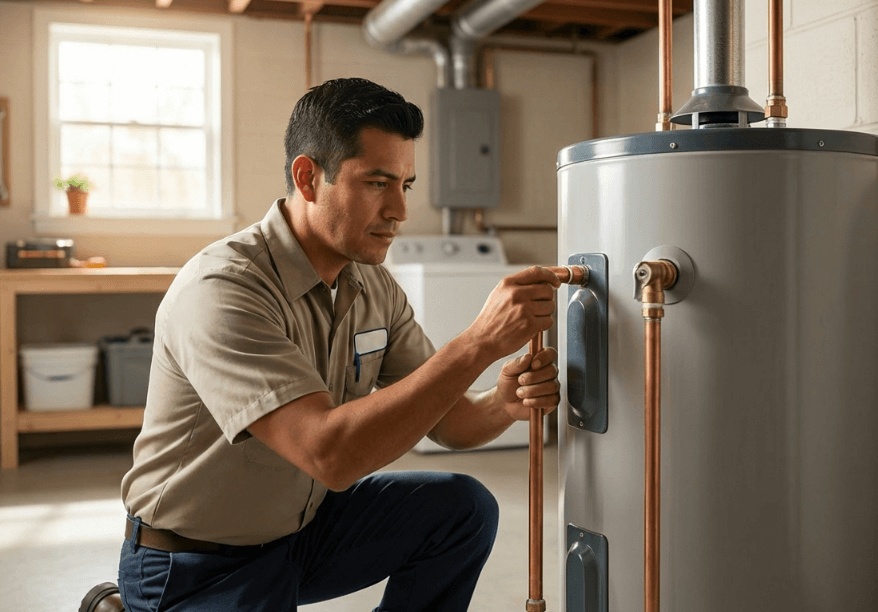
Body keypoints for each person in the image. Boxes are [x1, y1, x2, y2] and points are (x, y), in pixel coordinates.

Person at [117, 77, 562, 612]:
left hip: (299, 537)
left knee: (461, 509)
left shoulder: (372, 286)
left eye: (406, 185)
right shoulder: (224, 288)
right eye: (377, 183)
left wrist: (501, 405)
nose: (399, 209)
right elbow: (329, 455)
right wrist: (477, 344)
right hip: (194, 565)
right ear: (308, 177)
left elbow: (449, 421)